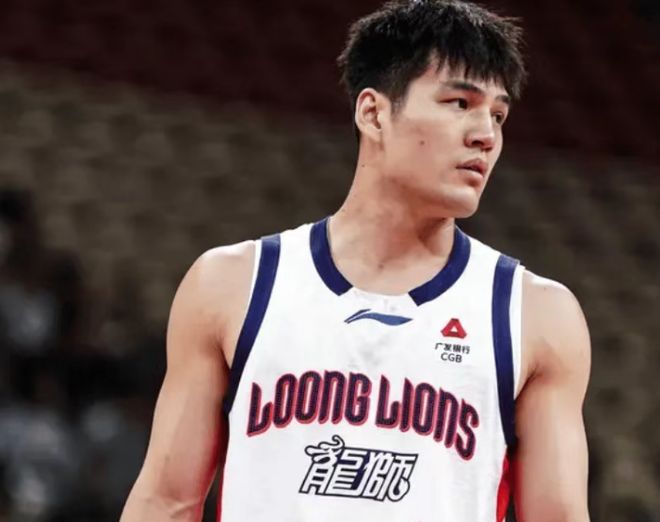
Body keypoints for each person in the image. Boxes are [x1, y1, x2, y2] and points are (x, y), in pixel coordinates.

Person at [120, 1, 591, 521]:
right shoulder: (234, 284)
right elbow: (166, 502)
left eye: (498, 115)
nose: (486, 134)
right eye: (460, 103)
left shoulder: (536, 314)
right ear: (373, 113)